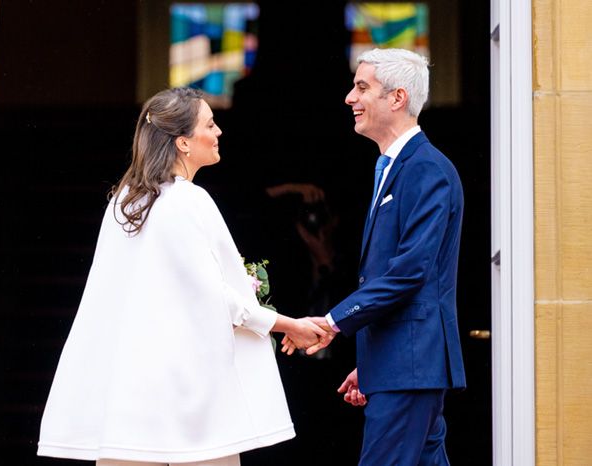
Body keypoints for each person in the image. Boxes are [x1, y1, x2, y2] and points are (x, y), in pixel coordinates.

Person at [37, 87, 329, 466]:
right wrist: (285, 323)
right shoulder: (188, 200)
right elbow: (213, 296)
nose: (219, 131)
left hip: (128, 399)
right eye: (210, 124)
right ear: (183, 143)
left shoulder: (125, 202)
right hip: (185, 396)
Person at [285, 48, 467, 464]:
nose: (350, 97)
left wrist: (332, 324)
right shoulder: (392, 165)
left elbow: (408, 273)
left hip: (412, 366)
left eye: (362, 87)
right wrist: (373, 362)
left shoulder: (426, 169)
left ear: (397, 98)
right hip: (401, 365)